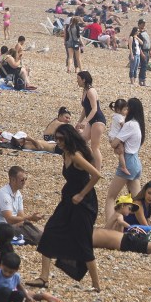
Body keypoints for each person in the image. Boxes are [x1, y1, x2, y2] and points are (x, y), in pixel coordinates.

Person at [29, 124, 101, 292]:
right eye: (57, 138)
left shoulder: (76, 155)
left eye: (61, 138)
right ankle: (44, 278)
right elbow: (45, 146)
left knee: (83, 242)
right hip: (68, 200)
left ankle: (96, 285)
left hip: (84, 203)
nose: (58, 142)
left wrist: (81, 195)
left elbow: (97, 175)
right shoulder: (65, 153)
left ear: (68, 138)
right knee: (50, 230)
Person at [105, 98, 144, 222]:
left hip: (128, 162)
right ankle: (144, 225)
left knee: (111, 197)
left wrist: (115, 143)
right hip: (136, 161)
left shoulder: (130, 124)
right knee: (137, 201)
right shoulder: (138, 124)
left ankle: (110, 228)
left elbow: (114, 143)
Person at [0, 165, 43, 235]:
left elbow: (21, 216)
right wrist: (30, 218)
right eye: (22, 180)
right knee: (38, 236)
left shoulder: (18, 194)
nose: (24, 182)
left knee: (43, 230)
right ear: (13, 180)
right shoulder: (4, 194)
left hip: (11, 227)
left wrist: (29, 222)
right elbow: (10, 220)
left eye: (25, 179)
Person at [76, 71, 106, 170]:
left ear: (84, 80)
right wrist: (80, 121)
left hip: (98, 120)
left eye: (79, 79)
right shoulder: (84, 91)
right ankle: (91, 162)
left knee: (95, 146)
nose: (77, 81)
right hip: (92, 120)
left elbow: (94, 108)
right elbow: (85, 108)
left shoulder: (91, 91)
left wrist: (85, 121)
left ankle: (98, 170)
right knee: (82, 139)